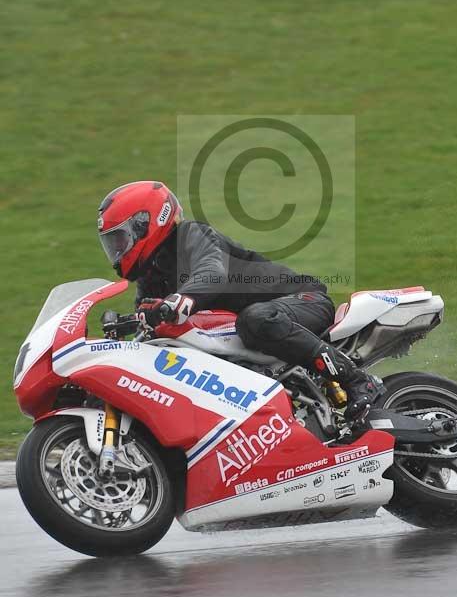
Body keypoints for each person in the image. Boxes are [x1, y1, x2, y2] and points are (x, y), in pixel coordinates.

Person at [97, 180, 384, 420]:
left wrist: (181, 300)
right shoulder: (151, 276)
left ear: (146, 223)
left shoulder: (190, 235)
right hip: (256, 330)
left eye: (120, 240)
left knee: (255, 319)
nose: (117, 251)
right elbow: (150, 330)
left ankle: (357, 380)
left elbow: (212, 271)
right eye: (112, 244)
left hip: (300, 300)